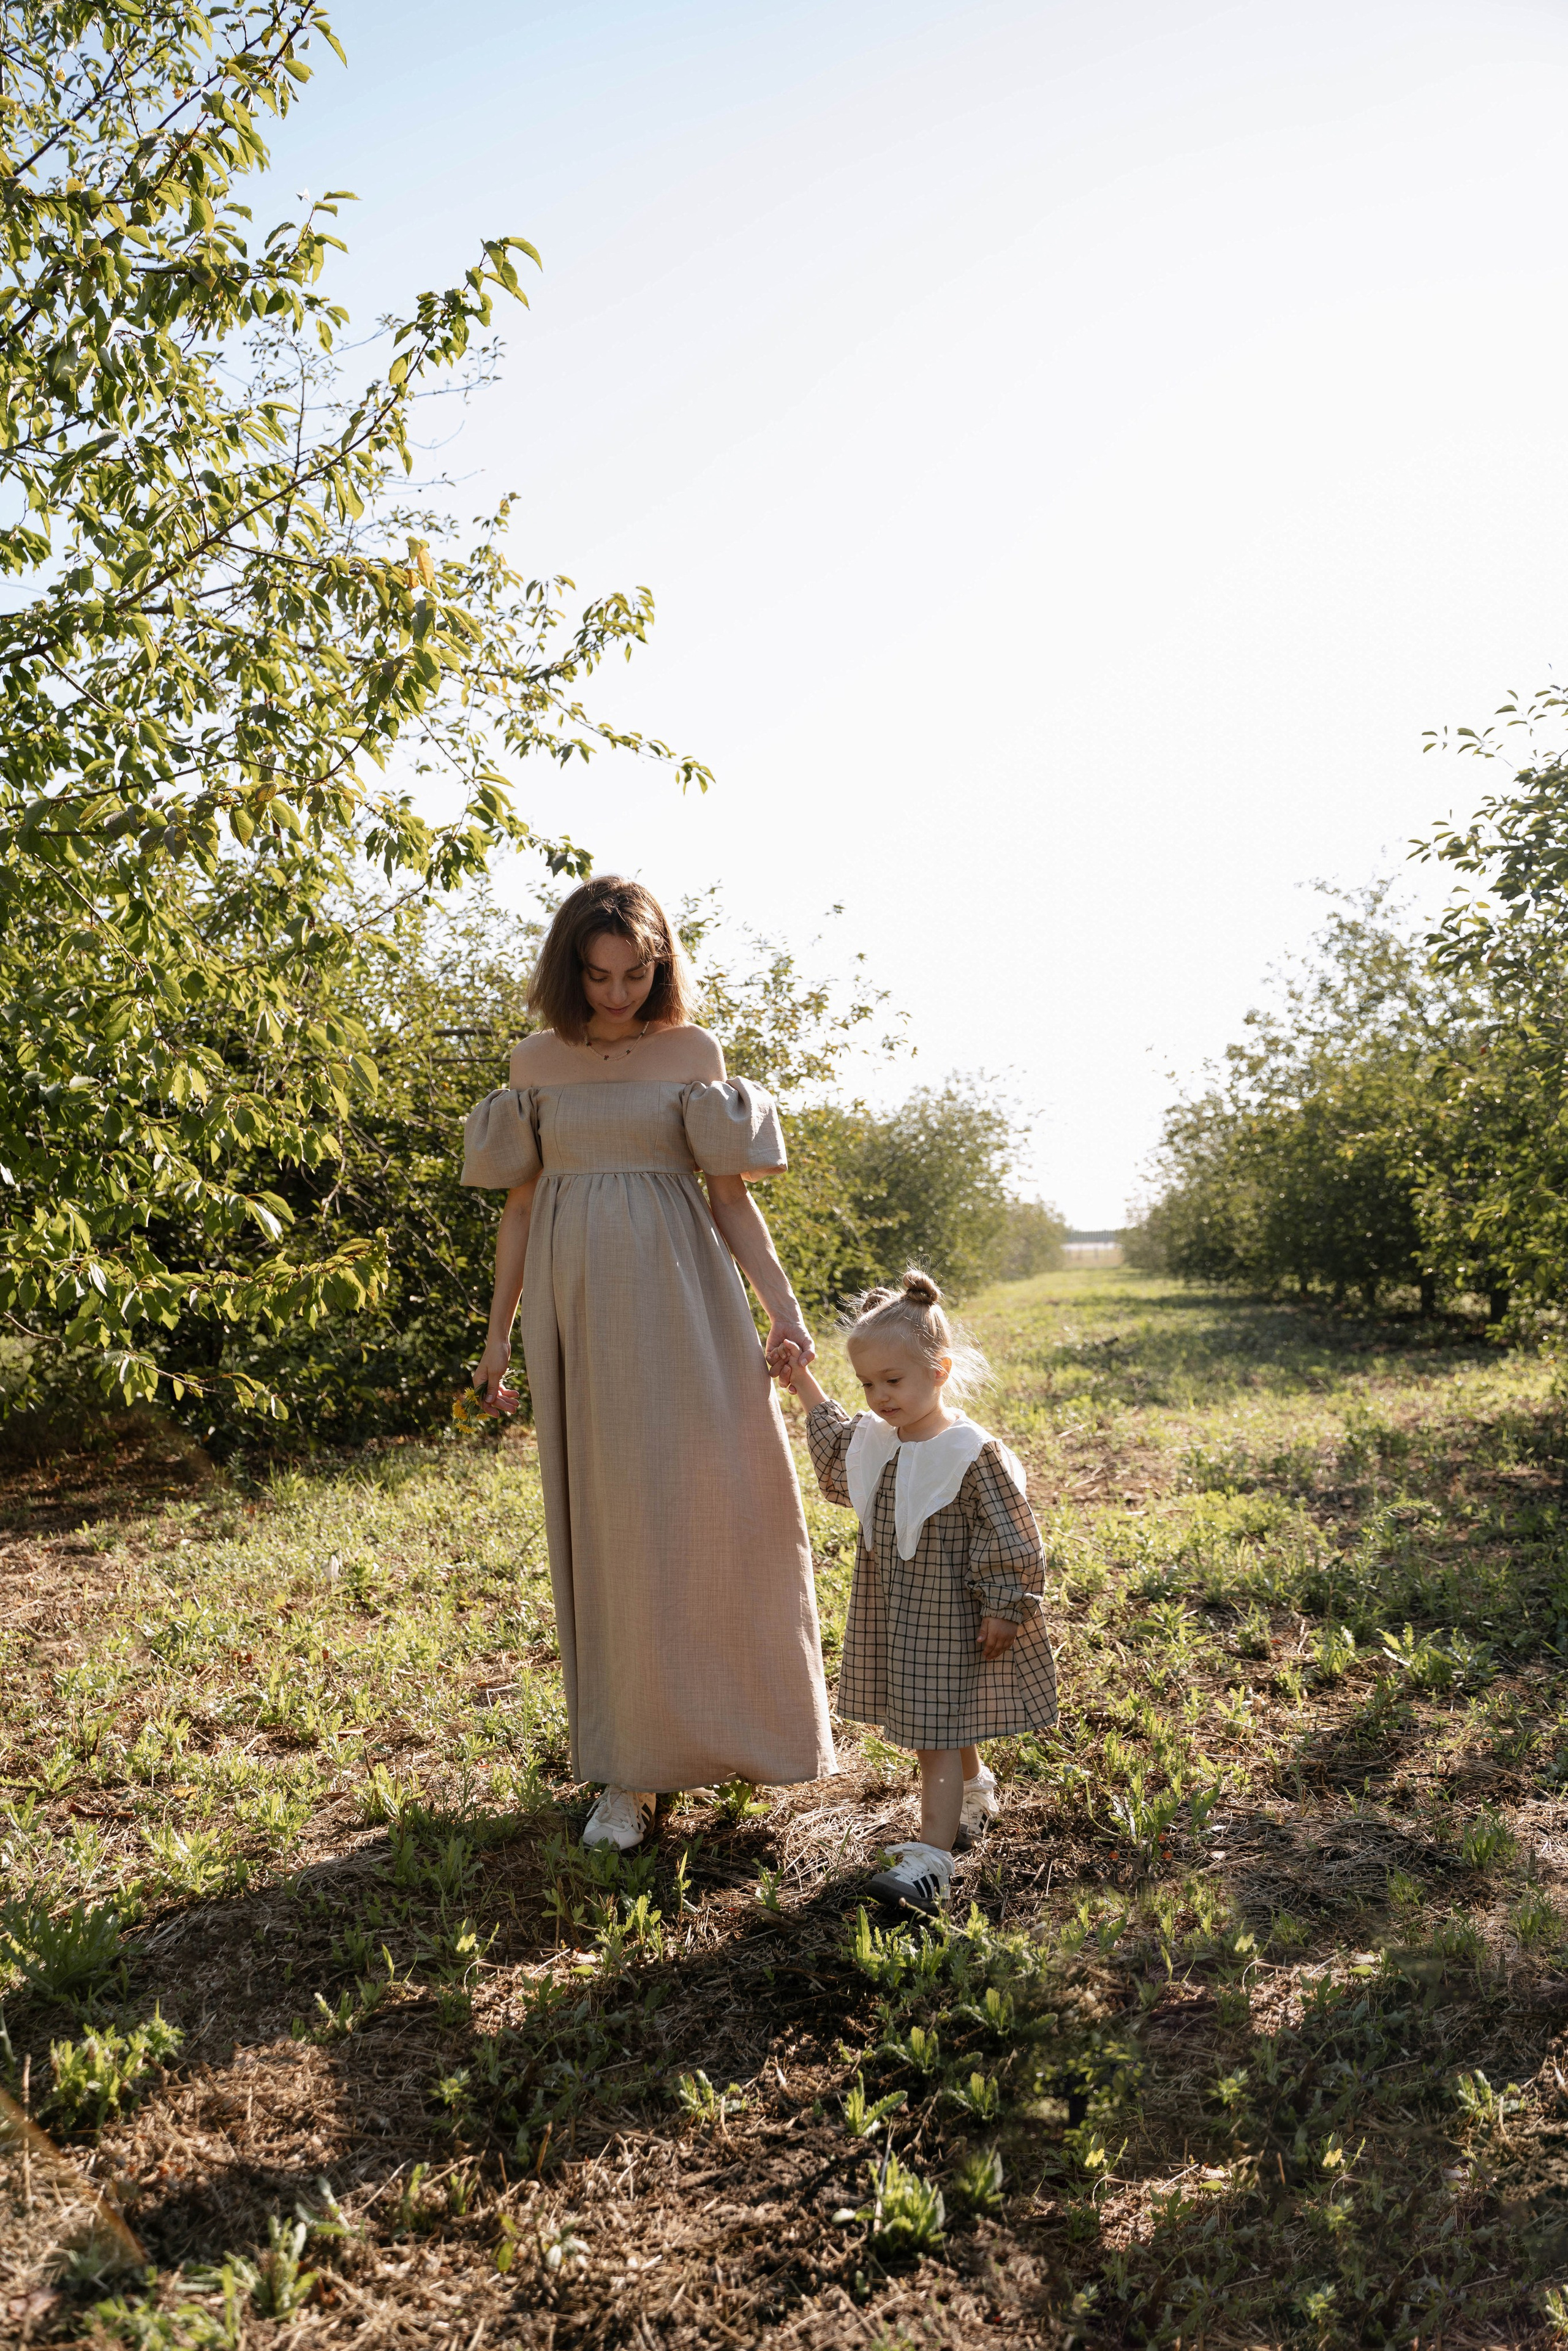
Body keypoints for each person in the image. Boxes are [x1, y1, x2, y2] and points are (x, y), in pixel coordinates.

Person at [462, 876, 836, 1850]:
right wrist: (498, 1335)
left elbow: (731, 1200)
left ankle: (738, 1733)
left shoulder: (693, 1055)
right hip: (578, 1313)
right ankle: (629, 1773)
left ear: (662, 964)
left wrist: (784, 1311)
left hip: (690, 1303)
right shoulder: (534, 1061)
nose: (618, 992)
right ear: (568, 968)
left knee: (720, 1509)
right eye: (597, 974)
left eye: (636, 973)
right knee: (614, 1526)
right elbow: (519, 1211)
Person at [774, 1269, 1057, 1914]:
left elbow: (1011, 1534)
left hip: (956, 1611)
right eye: (867, 1383)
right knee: (945, 1712)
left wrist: (1005, 1606)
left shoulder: (968, 1450)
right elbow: (833, 1446)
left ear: (939, 1370)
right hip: (906, 1612)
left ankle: (932, 1857)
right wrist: (802, 1380)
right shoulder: (879, 1441)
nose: (877, 1396)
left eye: (892, 1381)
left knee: (933, 1730)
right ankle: (976, 1788)